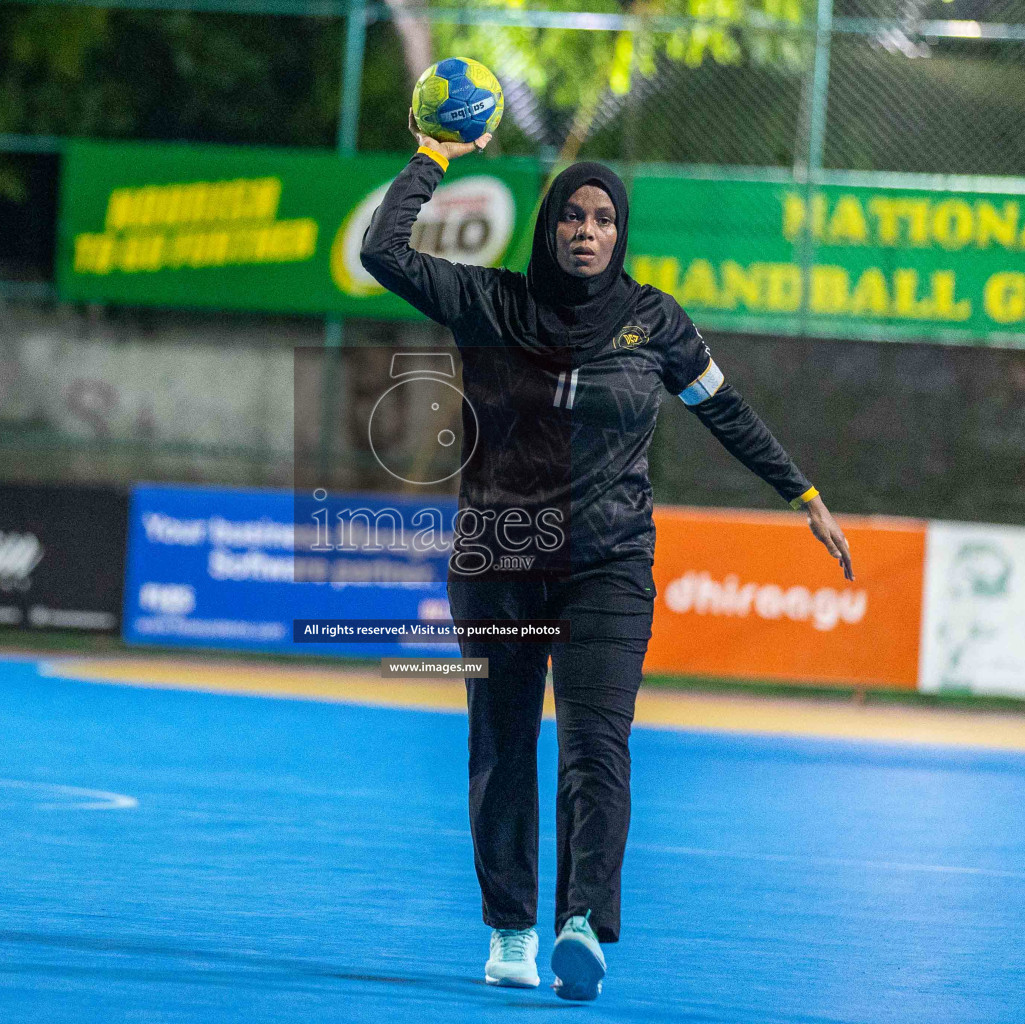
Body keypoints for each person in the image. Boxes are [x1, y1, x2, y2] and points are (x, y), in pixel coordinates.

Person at [359, 113, 854, 1002]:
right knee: (502, 743)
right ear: (549, 229)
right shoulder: (492, 302)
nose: (587, 232)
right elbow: (385, 253)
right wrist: (432, 157)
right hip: (500, 560)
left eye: (603, 220)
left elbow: (725, 410)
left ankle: (581, 923)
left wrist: (802, 494)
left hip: (609, 568)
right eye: (571, 219)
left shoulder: (655, 321)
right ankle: (510, 928)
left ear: (620, 232)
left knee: (598, 744)